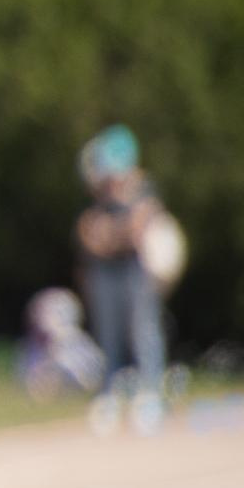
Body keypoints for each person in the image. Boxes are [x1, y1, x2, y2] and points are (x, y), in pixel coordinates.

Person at [74, 125, 171, 435]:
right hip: (105, 274)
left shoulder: (143, 190)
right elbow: (89, 234)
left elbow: (137, 227)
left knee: (144, 332)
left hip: (135, 271)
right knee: (107, 335)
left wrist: (112, 235)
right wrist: (117, 234)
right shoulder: (98, 201)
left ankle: (150, 395)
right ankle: (108, 396)